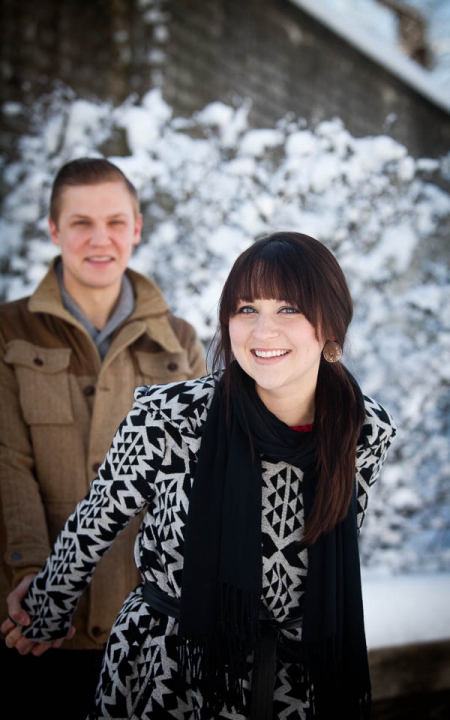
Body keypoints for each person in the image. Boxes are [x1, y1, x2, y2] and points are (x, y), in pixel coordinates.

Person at [3, 232, 396, 719]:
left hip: (296, 684)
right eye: (246, 309)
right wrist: (42, 609)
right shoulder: (171, 417)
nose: (262, 331)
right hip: (169, 671)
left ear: (331, 323)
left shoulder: (363, 430)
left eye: (289, 309)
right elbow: (93, 524)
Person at [0, 158, 206, 718]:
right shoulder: (8, 330)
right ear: (54, 230)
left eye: (115, 222)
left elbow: (194, 482)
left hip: (146, 632)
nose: (100, 239)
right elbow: (7, 462)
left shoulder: (180, 341)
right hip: (35, 626)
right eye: (81, 223)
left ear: (137, 228)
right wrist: (35, 586)